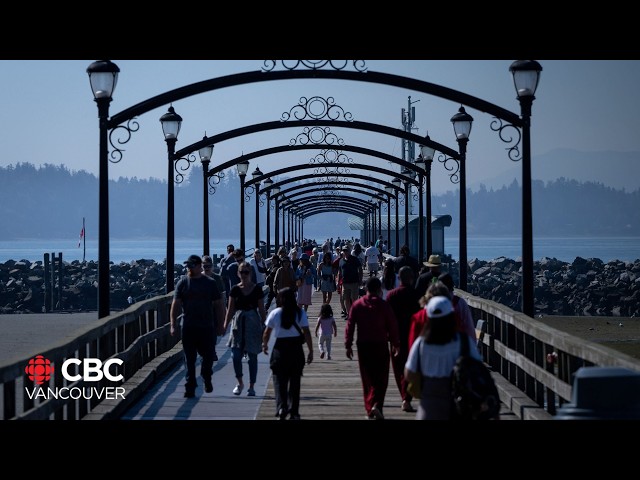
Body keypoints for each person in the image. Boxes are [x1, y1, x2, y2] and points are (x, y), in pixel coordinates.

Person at [404, 295, 482, 420]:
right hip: (458, 399)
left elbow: (409, 373)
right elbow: (479, 368)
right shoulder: (463, 341)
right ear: (451, 316)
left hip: (429, 400)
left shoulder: (421, 343)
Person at [170, 254, 225, 398]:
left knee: (208, 356)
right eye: (188, 265)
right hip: (188, 326)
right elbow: (175, 304)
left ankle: (206, 376)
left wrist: (221, 324)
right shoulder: (183, 282)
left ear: (199, 266)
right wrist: (173, 324)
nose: (189, 268)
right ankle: (190, 386)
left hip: (207, 326)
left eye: (192, 265)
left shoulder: (210, 283)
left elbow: (219, 305)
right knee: (189, 358)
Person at [345, 277, 400, 420]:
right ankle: (377, 405)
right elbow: (392, 325)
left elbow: (350, 326)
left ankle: (370, 409)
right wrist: (395, 343)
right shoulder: (384, 305)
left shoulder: (357, 305)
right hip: (380, 344)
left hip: (363, 345)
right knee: (381, 378)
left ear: (366, 289)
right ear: (378, 289)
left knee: (367, 378)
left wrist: (348, 344)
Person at [262, 287, 314, 420]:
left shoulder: (275, 313)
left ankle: (281, 408)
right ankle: (294, 411)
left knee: (279, 381)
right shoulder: (300, 313)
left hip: (280, 349)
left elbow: (267, 332)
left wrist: (265, 345)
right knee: (295, 382)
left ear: (280, 299)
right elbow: (306, 332)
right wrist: (310, 351)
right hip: (296, 349)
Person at [222, 261, 267, 397]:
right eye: (242, 272)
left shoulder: (257, 289)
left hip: (253, 322)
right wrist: (225, 325)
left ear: (250, 273)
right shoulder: (235, 289)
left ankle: (251, 386)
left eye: (246, 272)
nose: (244, 275)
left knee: (252, 357)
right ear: (238, 273)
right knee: (235, 356)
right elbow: (230, 310)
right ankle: (240, 382)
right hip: (238, 323)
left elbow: (261, 309)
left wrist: (265, 325)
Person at [386, 266, 422, 413]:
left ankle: (405, 398)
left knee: (398, 368)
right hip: (414, 337)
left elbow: (387, 318)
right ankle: (407, 397)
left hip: (396, 337)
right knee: (412, 367)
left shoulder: (391, 295)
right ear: (412, 279)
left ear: (398, 278)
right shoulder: (417, 295)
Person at [438, 272, 477, 342]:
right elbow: (469, 327)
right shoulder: (460, 302)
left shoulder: (433, 303)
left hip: (438, 345)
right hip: (457, 344)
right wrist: (472, 346)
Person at [202, 254, 226, 362]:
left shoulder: (217, 278)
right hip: (201, 311)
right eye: (204, 266)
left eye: (208, 266)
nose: (206, 268)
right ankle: (207, 352)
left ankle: (212, 351)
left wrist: (223, 312)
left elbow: (222, 295)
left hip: (214, 310)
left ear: (212, 266)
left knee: (212, 333)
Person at [339, 245, 363, 317]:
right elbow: (339, 272)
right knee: (346, 299)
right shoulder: (341, 261)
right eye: (344, 251)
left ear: (349, 251)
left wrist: (360, 279)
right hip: (345, 283)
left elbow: (360, 269)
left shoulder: (354, 259)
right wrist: (338, 282)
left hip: (354, 282)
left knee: (354, 299)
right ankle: (349, 314)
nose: (345, 252)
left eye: (347, 250)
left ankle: (354, 314)